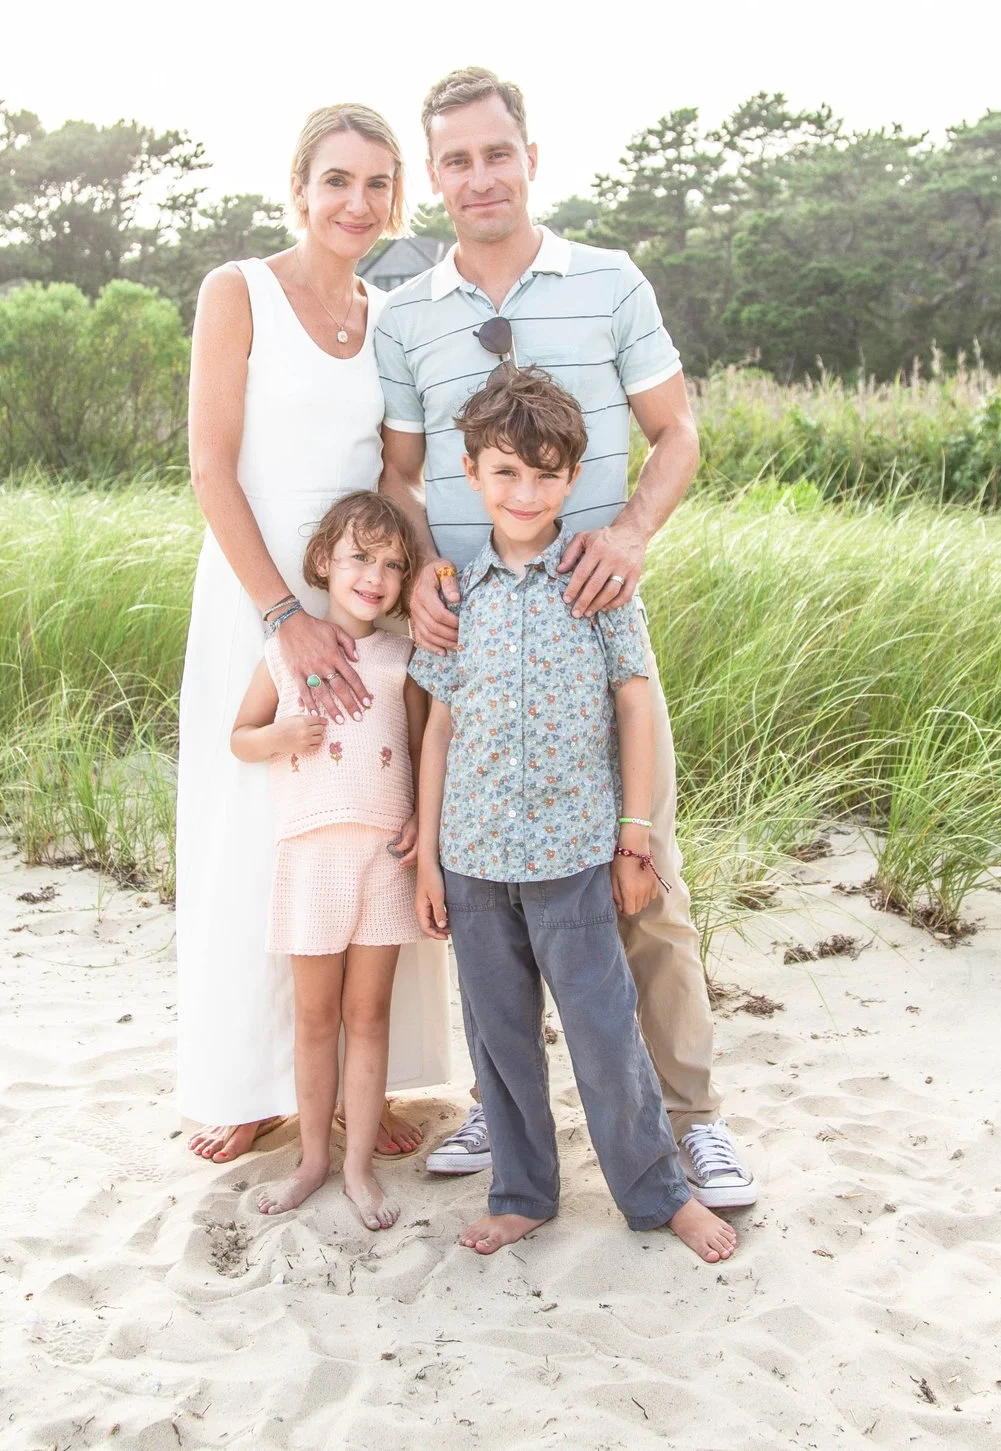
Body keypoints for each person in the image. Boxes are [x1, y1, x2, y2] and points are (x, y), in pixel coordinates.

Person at [374, 66, 756, 1208]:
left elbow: (676, 430)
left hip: (590, 626)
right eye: (454, 160)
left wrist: (632, 530)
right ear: (431, 176)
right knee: (474, 882)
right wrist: (423, 571)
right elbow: (400, 475)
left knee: (643, 882)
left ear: (529, 156)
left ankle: (693, 1123)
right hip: (462, 631)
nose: (478, 177)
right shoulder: (408, 314)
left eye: (497, 153)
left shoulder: (608, 281)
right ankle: (504, 1105)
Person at [410, 366, 738, 1262]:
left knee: (603, 1032)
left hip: (571, 858)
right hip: (474, 860)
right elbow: (438, 727)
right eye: (505, 473)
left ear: (572, 479)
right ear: (472, 475)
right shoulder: (455, 598)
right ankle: (522, 1190)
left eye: (545, 474)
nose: (525, 492)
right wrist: (428, 857)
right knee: (500, 1038)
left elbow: (635, 706)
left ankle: (656, 1191)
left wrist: (634, 835)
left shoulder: (596, 584)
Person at [175, 104, 451, 1163]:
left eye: (379, 183)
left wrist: (424, 577)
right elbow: (209, 464)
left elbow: (394, 474)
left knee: (362, 815)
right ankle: (245, 1085)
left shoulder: (390, 316)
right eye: (337, 179)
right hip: (259, 597)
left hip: (361, 598)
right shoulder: (237, 289)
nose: (358, 202)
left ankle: (356, 1084)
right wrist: (281, 616)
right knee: (257, 822)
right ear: (298, 189)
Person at [230, 493, 428, 1229]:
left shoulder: (402, 658)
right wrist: (281, 736)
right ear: (322, 562)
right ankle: (312, 1159)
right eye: (359, 556)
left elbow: (415, 748)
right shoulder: (285, 652)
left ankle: (356, 1166)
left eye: (392, 564)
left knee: (367, 1012)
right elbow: (241, 737)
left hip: (382, 856)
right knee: (315, 1017)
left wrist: (419, 821)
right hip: (311, 854)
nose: (375, 575)